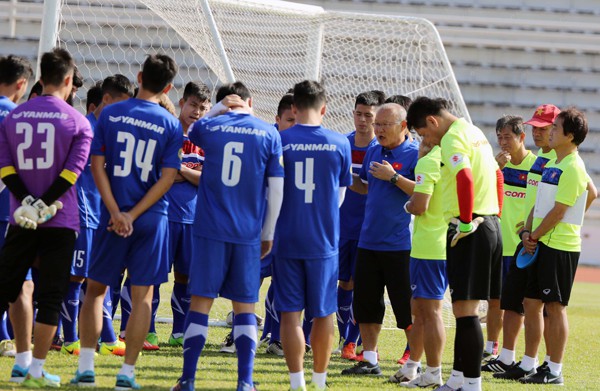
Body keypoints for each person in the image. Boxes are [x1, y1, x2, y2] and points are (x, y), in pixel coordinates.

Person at [71, 54, 182, 389]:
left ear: (138, 76)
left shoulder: (111, 113)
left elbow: (96, 166)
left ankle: (86, 369)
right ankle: (126, 374)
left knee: (94, 291)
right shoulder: (170, 123)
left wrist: (117, 211)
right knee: (143, 296)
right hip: (151, 220)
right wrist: (134, 214)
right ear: (167, 88)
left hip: (110, 217)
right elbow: (168, 177)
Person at [171, 81, 284, 391]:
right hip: (248, 233)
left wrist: (221, 108)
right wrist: (268, 232)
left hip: (209, 230)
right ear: (250, 102)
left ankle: (188, 380)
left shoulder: (211, 129)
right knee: (245, 306)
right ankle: (245, 382)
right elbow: (277, 188)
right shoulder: (268, 132)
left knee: (201, 303)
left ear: (221, 105)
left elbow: (193, 130)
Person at [0, 48, 93, 387]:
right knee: (51, 295)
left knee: (6, 288)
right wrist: (44, 204)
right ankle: (36, 371)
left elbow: (6, 167)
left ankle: (26, 364)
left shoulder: (14, 116)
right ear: (68, 80)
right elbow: (72, 172)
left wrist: (27, 201)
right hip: (58, 220)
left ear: (41, 77)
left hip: (20, 217)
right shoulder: (77, 121)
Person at [406, 97, 503, 391]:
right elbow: (496, 176)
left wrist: (463, 220)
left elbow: (464, 176)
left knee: (466, 310)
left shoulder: (450, 139)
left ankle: (471, 384)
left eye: (424, 134)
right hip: (488, 222)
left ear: (433, 122)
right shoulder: (473, 132)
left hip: (470, 226)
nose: (427, 140)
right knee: (464, 309)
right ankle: (458, 379)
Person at [273, 80, 351, 391]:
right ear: (324, 108)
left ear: (293, 108)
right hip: (323, 240)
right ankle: (319, 382)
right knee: (323, 314)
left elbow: (272, 191)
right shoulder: (339, 143)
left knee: (290, 314)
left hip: (288, 237)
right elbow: (340, 196)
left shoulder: (279, 140)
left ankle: (296, 384)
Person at [341, 103, 418, 379]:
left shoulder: (416, 153)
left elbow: (423, 192)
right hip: (368, 241)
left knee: (407, 309)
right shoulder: (374, 149)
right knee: (367, 306)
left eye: (386, 124)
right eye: (378, 124)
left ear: (404, 126)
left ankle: (414, 364)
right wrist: (342, 176)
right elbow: (364, 186)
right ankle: (370, 359)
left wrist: (394, 177)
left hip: (400, 245)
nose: (379, 130)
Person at [60, 74, 135, 357]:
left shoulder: (104, 131)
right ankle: (72, 339)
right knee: (79, 278)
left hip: (97, 213)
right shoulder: (88, 130)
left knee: (91, 278)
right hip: (83, 213)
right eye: (119, 105)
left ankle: (102, 338)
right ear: (103, 101)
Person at [480, 115, 537, 363]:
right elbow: (481, 194)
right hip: (497, 243)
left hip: (522, 246)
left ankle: (513, 353)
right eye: (499, 136)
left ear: (521, 137)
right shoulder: (494, 165)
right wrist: (496, 169)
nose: (503, 142)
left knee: (519, 303)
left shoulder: (537, 165)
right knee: (494, 300)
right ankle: (492, 347)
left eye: (508, 136)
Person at [335, 91, 382, 361]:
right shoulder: (342, 143)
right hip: (340, 226)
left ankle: (355, 342)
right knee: (343, 284)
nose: (363, 120)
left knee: (363, 286)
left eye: (369, 115)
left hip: (368, 230)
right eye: (359, 113)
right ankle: (346, 338)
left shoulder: (379, 149)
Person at [166, 81, 211, 347]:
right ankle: (140, 329)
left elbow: (208, 179)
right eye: (193, 105)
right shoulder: (168, 133)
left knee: (185, 277)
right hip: (164, 215)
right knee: (151, 276)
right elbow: (161, 175)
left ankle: (178, 331)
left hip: (194, 218)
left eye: (203, 108)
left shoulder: (205, 141)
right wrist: (181, 174)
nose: (197, 111)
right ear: (182, 103)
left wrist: (180, 171)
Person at [399, 141, 447, 388]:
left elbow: (419, 206)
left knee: (431, 312)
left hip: (430, 247)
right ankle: (411, 367)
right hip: (434, 245)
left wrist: (407, 205)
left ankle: (433, 373)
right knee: (418, 309)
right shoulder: (449, 159)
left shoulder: (429, 161)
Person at [0, 55, 34, 360]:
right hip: (7, 209)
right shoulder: (16, 116)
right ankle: (9, 341)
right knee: (20, 281)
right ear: (22, 84)